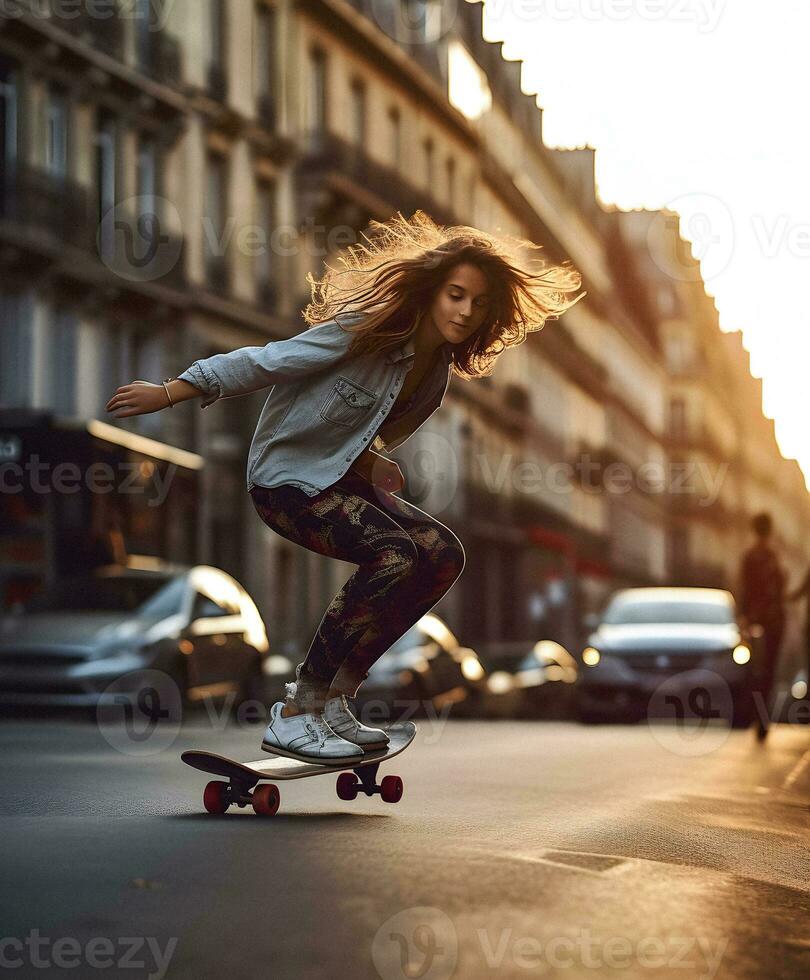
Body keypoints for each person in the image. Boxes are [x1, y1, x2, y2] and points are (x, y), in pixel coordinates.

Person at [104, 210, 583, 763]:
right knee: (394, 554)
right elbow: (267, 361)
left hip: (337, 483)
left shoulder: (433, 376)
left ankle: (337, 698)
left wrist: (374, 464)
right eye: (456, 295)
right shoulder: (364, 333)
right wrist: (172, 391)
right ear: (432, 291)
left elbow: (367, 435)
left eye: (478, 304)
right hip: (284, 482)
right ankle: (296, 711)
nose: (465, 312)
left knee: (444, 554)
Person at [738, 512, 786, 739]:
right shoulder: (771, 557)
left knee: (759, 671)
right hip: (771, 621)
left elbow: (744, 589)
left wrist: (744, 617)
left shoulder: (752, 557)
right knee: (766, 672)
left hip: (758, 619)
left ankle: (759, 716)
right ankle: (761, 717)